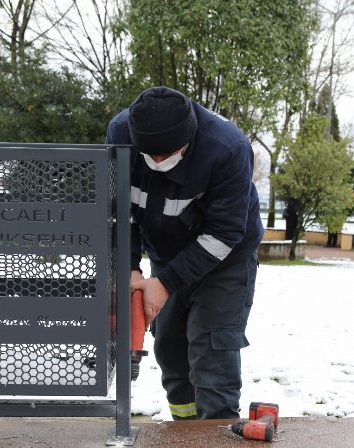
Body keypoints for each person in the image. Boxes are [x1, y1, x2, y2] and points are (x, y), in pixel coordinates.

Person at [106, 86, 264, 420]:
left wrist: (165, 283)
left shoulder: (227, 148)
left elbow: (225, 233)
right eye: (151, 154)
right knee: (170, 349)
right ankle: (186, 434)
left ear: (188, 138)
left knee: (211, 353)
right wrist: (132, 270)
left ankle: (215, 446)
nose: (159, 161)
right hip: (165, 254)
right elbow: (121, 213)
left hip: (225, 263)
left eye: (167, 153)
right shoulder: (121, 135)